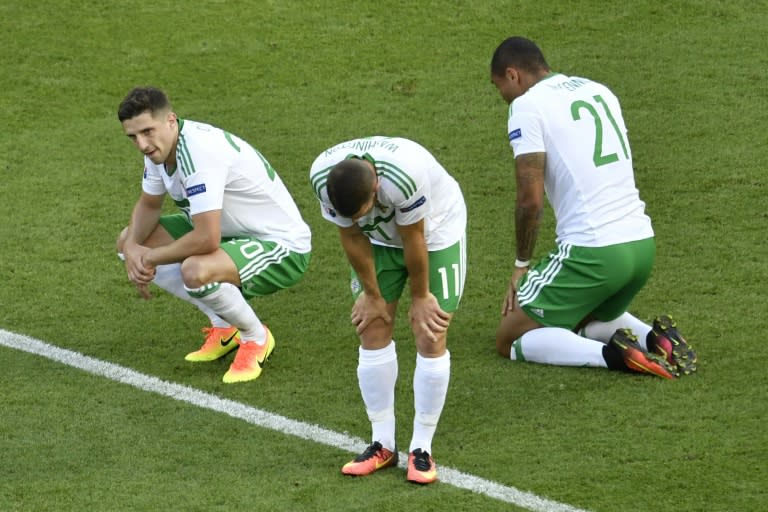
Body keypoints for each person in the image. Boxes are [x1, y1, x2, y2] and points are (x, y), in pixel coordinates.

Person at [489, 37, 697, 379]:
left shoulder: (527, 106)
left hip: (594, 252)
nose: (503, 97)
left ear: (513, 75)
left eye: (499, 87)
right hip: (641, 245)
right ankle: (653, 337)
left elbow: (530, 199)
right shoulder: (598, 90)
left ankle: (613, 356)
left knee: (509, 337)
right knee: (580, 314)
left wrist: (520, 265)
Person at [116, 86, 311, 383]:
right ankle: (224, 325)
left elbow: (207, 239)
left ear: (171, 120)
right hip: (230, 234)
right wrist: (132, 249)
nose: (142, 144)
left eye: (147, 132)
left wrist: (148, 259)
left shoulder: (199, 153)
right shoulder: (160, 148)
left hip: (279, 244)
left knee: (195, 270)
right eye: (133, 137)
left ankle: (255, 337)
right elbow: (149, 204)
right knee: (128, 239)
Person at [309, 136, 467, 484]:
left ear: (376, 187)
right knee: (372, 326)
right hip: (379, 242)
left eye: (363, 211)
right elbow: (351, 236)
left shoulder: (404, 177)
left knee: (430, 331)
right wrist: (371, 293)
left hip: (436, 232)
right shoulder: (323, 178)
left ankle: (421, 449)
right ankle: (382, 443)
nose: (359, 218)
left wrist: (422, 296)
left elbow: (414, 238)